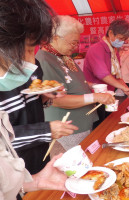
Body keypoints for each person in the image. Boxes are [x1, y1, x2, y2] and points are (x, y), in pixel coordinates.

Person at [0, 0, 71, 199]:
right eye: (29, 50)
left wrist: (46, 97)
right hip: (17, 161)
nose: (32, 61)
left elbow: (27, 103)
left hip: (30, 165)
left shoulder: (30, 66)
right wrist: (45, 130)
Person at [36, 15, 115, 153]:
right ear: (55, 38)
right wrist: (95, 97)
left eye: (76, 43)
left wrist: (90, 85)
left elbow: (72, 82)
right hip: (66, 129)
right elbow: (56, 100)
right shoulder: (44, 60)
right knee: (72, 168)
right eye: (72, 43)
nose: (75, 47)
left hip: (82, 123)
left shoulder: (62, 56)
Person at [84, 19, 129, 96]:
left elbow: (118, 77)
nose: (122, 42)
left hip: (108, 95)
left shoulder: (114, 51)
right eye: (121, 38)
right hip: (94, 96)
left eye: (124, 40)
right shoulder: (96, 49)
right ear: (111, 33)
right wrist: (124, 88)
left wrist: (128, 91)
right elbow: (103, 75)